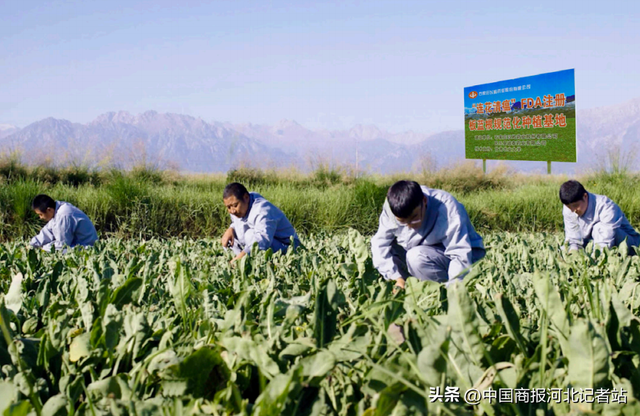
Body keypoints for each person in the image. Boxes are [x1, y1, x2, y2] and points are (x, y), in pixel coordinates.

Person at [371, 180, 485, 288]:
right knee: (390, 249)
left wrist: (454, 289)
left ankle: (436, 292)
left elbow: (460, 254)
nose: (410, 226)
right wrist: (396, 277)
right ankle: (405, 287)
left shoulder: (447, 207)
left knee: (416, 257)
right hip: (417, 254)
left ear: (424, 201)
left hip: (456, 258)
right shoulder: (390, 209)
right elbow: (380, 244)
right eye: (402, 222)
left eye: (414, 218)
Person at [220, 182, 300, 263]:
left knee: (249, 234)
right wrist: (231, 229)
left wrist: (241, 256)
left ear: (246, 197)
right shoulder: (239, 206)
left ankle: (240, 261)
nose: (232, 211)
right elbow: (239, 222)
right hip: (265, 243)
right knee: (231, 237)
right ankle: (239, 261)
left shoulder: (262, 209)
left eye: (235, 205)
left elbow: (263, 239)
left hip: (287, 246)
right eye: (228, 207)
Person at [560, 180, 639, 254]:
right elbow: (573, 239)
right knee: (564, 249)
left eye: (576, 206)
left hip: (628, 243)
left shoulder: (606, 206)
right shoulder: (569, 209)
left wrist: (595, 261)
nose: (573, 210)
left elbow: (605, 241)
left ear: (585, 196)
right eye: (569, 207)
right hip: (593, 242)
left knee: (598, 228)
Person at [30, 194, 98, 252]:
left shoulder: (63, 215)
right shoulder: (56, 210)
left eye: (40, 214)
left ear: (49, 210)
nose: (40, 217)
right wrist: (32, 244)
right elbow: (47, 232)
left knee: (50, 251)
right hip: (75, 243)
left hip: (86, 247)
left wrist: (43, 249)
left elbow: (63, 245)